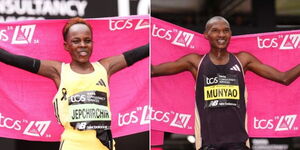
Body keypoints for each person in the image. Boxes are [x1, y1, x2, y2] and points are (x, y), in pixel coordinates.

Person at [151, 16, 300, 150]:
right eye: (215, 30)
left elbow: (284, 78)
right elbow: (153, 71)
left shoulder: (242, 60)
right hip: (208, 144)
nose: (221, 35)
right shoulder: (196, 62)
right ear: (206, 35)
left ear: (230, 34)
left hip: (238, 144)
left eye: (226, 30)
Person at [0, 17, 149, 150]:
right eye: (76, 41)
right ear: (66, 46)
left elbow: (136, 54)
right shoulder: (58, 70)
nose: (82, 45)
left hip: (103, 145)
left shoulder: (105, 67)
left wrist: (157, 39)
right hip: (73, 145)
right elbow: (11, 59)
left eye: (87, 40)